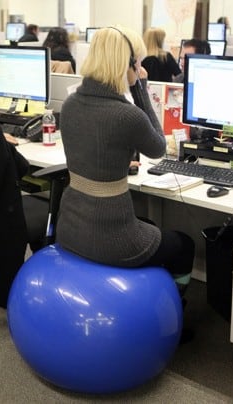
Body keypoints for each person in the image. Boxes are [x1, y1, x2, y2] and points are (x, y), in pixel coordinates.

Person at [56, 26, 195, 298]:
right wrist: (141, 88)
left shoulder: (70, 104)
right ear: (127, 65)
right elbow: (157, 147)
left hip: (70, 227)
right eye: (138, 63)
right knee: (184, 244)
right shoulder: (127, 115)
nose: (140, 68)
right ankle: (175, 313)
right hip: (111, 239)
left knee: (149, 226)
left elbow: (96, 149)